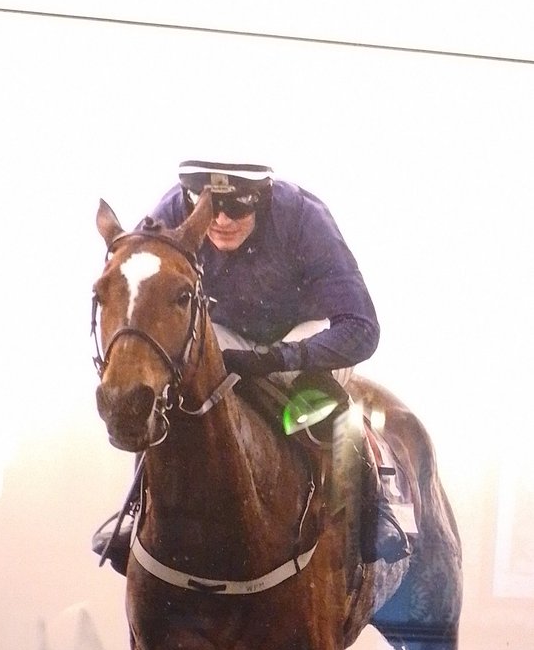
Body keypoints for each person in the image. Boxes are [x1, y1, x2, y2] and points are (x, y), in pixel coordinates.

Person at [93, 159, 409, 571]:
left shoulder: (304, 218)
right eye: (210, 207)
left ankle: (375, 511)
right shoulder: (172, 211)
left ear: (262, 200)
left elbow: (361, 329)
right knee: (172, 374)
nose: (221, 221)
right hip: (223, 331)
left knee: (312, 400)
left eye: (237, 209)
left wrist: (279, 358)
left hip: (306, 334)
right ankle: (137, 507)